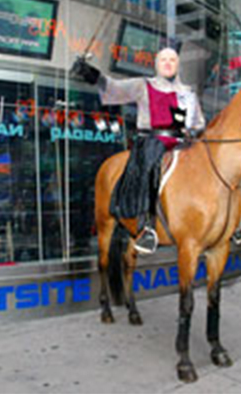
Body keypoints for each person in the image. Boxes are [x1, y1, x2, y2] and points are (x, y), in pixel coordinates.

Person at [72, 38, 206, 254]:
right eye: (164, 59)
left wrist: (194, 130)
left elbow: (199, 122)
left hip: (183, 143)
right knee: (150, 168)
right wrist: (90, 73)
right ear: (157, 63)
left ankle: (220, 225)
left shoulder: (187, 93)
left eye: (172, 59)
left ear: (178, 63)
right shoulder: (143, 85)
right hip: (153, 141)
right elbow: (114, 88)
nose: (168, 63)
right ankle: (146, 228)